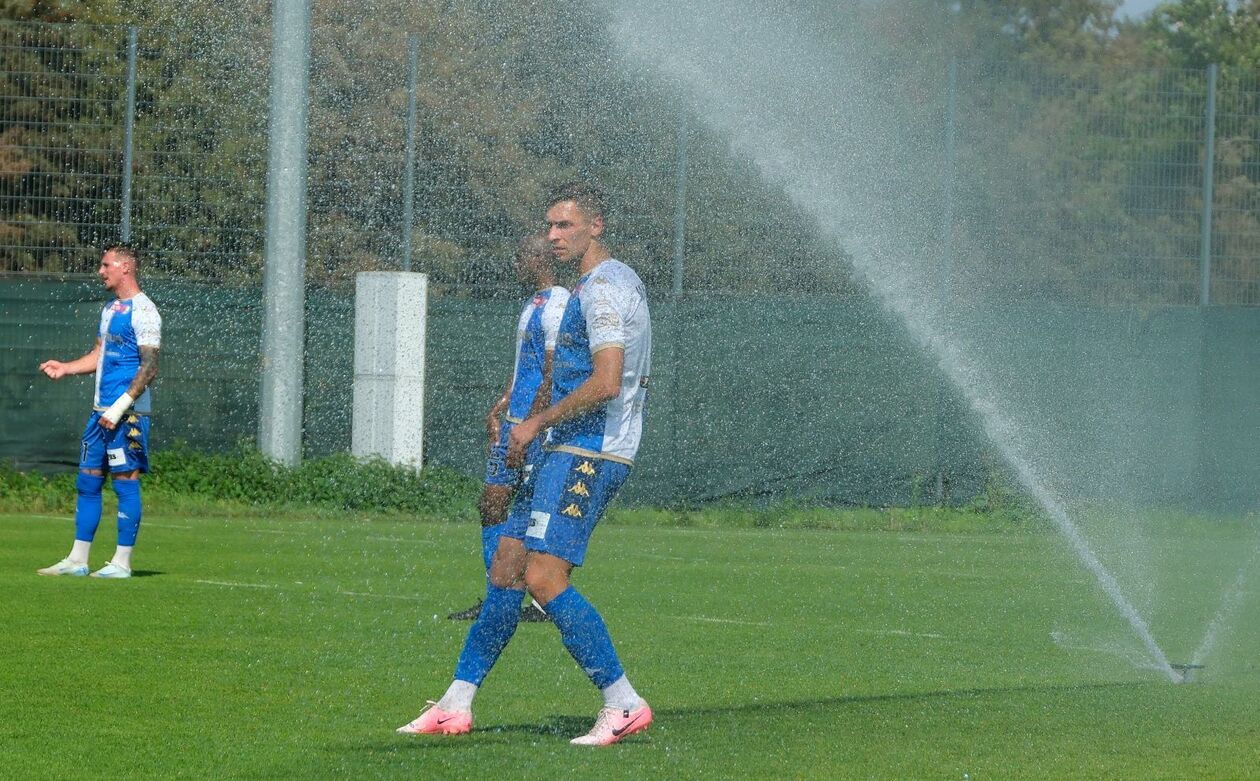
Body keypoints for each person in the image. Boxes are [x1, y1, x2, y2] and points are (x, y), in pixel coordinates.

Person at [398, 181, 653, 746]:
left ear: (596, 225)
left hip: (589, 450)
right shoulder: (606, 282)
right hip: (563, 447)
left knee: (541, 577)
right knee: (506, 569)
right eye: (551, 226)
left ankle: (623, 702)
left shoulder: (601, 290)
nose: (554, 236)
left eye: (566, 225)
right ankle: (454, 705)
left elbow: (608, 381)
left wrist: (536, 421)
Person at [447, 233, 569, 623]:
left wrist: (530, 426)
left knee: (529, 510)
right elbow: (526, 368)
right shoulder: (532, 302)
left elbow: (551, 374)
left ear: (539, 259)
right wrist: (500, 406)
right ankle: (499, 596)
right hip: (515, 422)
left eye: (522, 257)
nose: (517, 263)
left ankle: (535, 597)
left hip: (532, 430)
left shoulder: (557, 304)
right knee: (493, 503)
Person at [36, 244, 161, 579]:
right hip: (99, 412)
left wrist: (120, 407)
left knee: (124, 481)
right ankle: (78, 560)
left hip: (128, 414)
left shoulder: (145, 311)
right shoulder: (109, 309)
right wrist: (66, 367)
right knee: (87, 481)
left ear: (125, 268)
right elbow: (99, 356)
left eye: (106, 265)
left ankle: (121, 563)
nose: (101, 271)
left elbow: (150, 367)